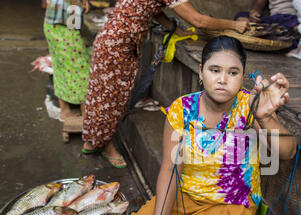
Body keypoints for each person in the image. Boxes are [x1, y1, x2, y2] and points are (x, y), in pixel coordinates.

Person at [128, 36, 297, 215]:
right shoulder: (182, 109)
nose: (223, 80)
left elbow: (288, 151)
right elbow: (170, 170)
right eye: (215, 70)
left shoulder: (249, 107)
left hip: (233, 203)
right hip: (186, 193)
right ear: (201, 71)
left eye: (233, 72)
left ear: (242, 76)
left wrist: (265, 117)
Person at [81, 0, 250, 168]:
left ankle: (92, 140)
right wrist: (234, 25)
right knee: (110, 97)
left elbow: (154, 11)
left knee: (102, 93)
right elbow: (198, 20)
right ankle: (104, 145)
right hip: (117, 45)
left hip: (111, 40)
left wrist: (175, 30)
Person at [43, 0, 91, 121]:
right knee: (82, 69)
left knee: (60, 66)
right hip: (63, 28)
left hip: (53, 25)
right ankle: (87, 116)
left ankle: (65, 110)